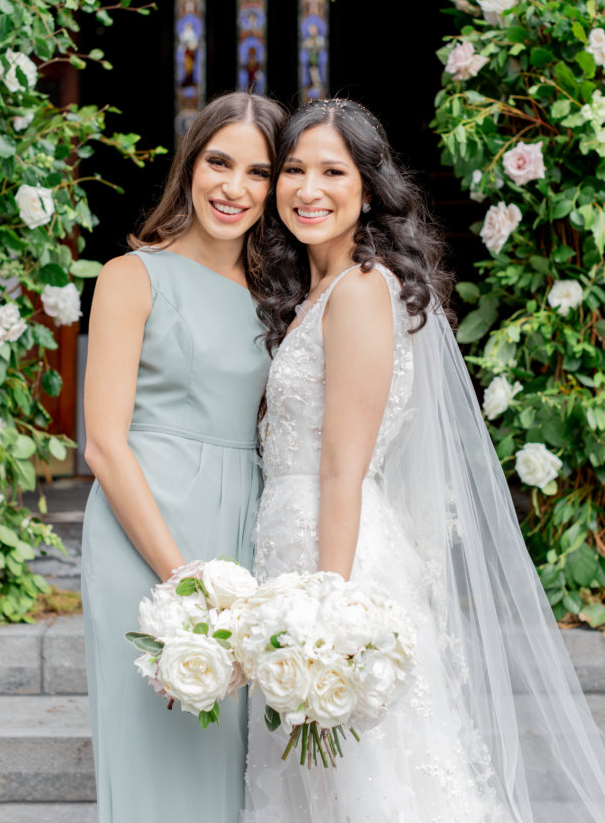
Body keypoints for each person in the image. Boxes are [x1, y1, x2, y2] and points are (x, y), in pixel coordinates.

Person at [244, 98, 605, 823]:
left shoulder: (360, 290)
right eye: (293, 170)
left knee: (363, 780)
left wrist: (327, 612)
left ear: (368, 188)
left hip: (333, 559)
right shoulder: (315, 292)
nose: (308, 189)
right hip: (292, 549)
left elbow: (342, 469)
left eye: (332, 172)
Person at [81, 91, 286, 823]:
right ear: (190, 166)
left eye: (258, 172)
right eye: (219, 163)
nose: (234, 188)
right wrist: (184, 581)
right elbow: (103, 443)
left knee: (232, 756)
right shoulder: (131, 276)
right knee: (154, 754)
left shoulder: (278, 295)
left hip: (246, 522)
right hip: (146, 526)